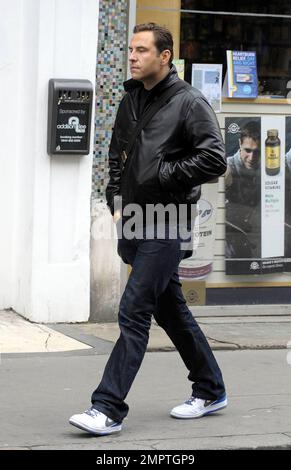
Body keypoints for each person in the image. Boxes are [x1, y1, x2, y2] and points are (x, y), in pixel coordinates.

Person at [69, 22, 227, 436]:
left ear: (164, 56)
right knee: (170, 309)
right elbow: (117, 156)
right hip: (135, 222)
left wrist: (162, 174)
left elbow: (214, 159)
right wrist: (117, 204)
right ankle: (211, 389)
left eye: (142, 50)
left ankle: (106, 408)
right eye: (131, 50)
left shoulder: (190, 102)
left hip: (169, 221)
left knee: (134, 309)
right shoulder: (131, 99)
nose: (133, 57)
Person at [225, 122, 261, 262]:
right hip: (229, 239)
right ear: (240, 143)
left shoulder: (266, 169)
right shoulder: (227, 168)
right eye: (247, 150)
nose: (251, 158)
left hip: (253, 234)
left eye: (256, 152)